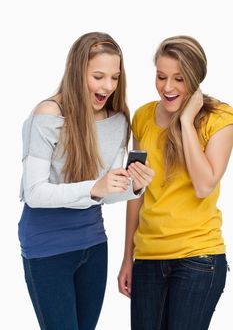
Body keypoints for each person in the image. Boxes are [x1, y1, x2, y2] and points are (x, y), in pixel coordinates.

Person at [18, 31, 154, 330]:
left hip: (93, 244)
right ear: (77, 71)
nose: (108, 86)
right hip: (46, 245)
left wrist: (133, 186)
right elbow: (34, 192)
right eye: (98, 76)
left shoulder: (117, 119)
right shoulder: (48, 114)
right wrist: (95, 186)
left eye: (115, 77)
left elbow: (103, 193)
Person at [118, 35, 233, 330]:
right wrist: (127, 258)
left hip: (198, 257)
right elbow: (136, 193)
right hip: (147, 257)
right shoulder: (143, 116)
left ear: (194, 79)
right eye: (161, 77)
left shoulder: (219, 119)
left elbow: (204, 185)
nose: (167, 88)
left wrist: (185, 122)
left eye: (179, 79)